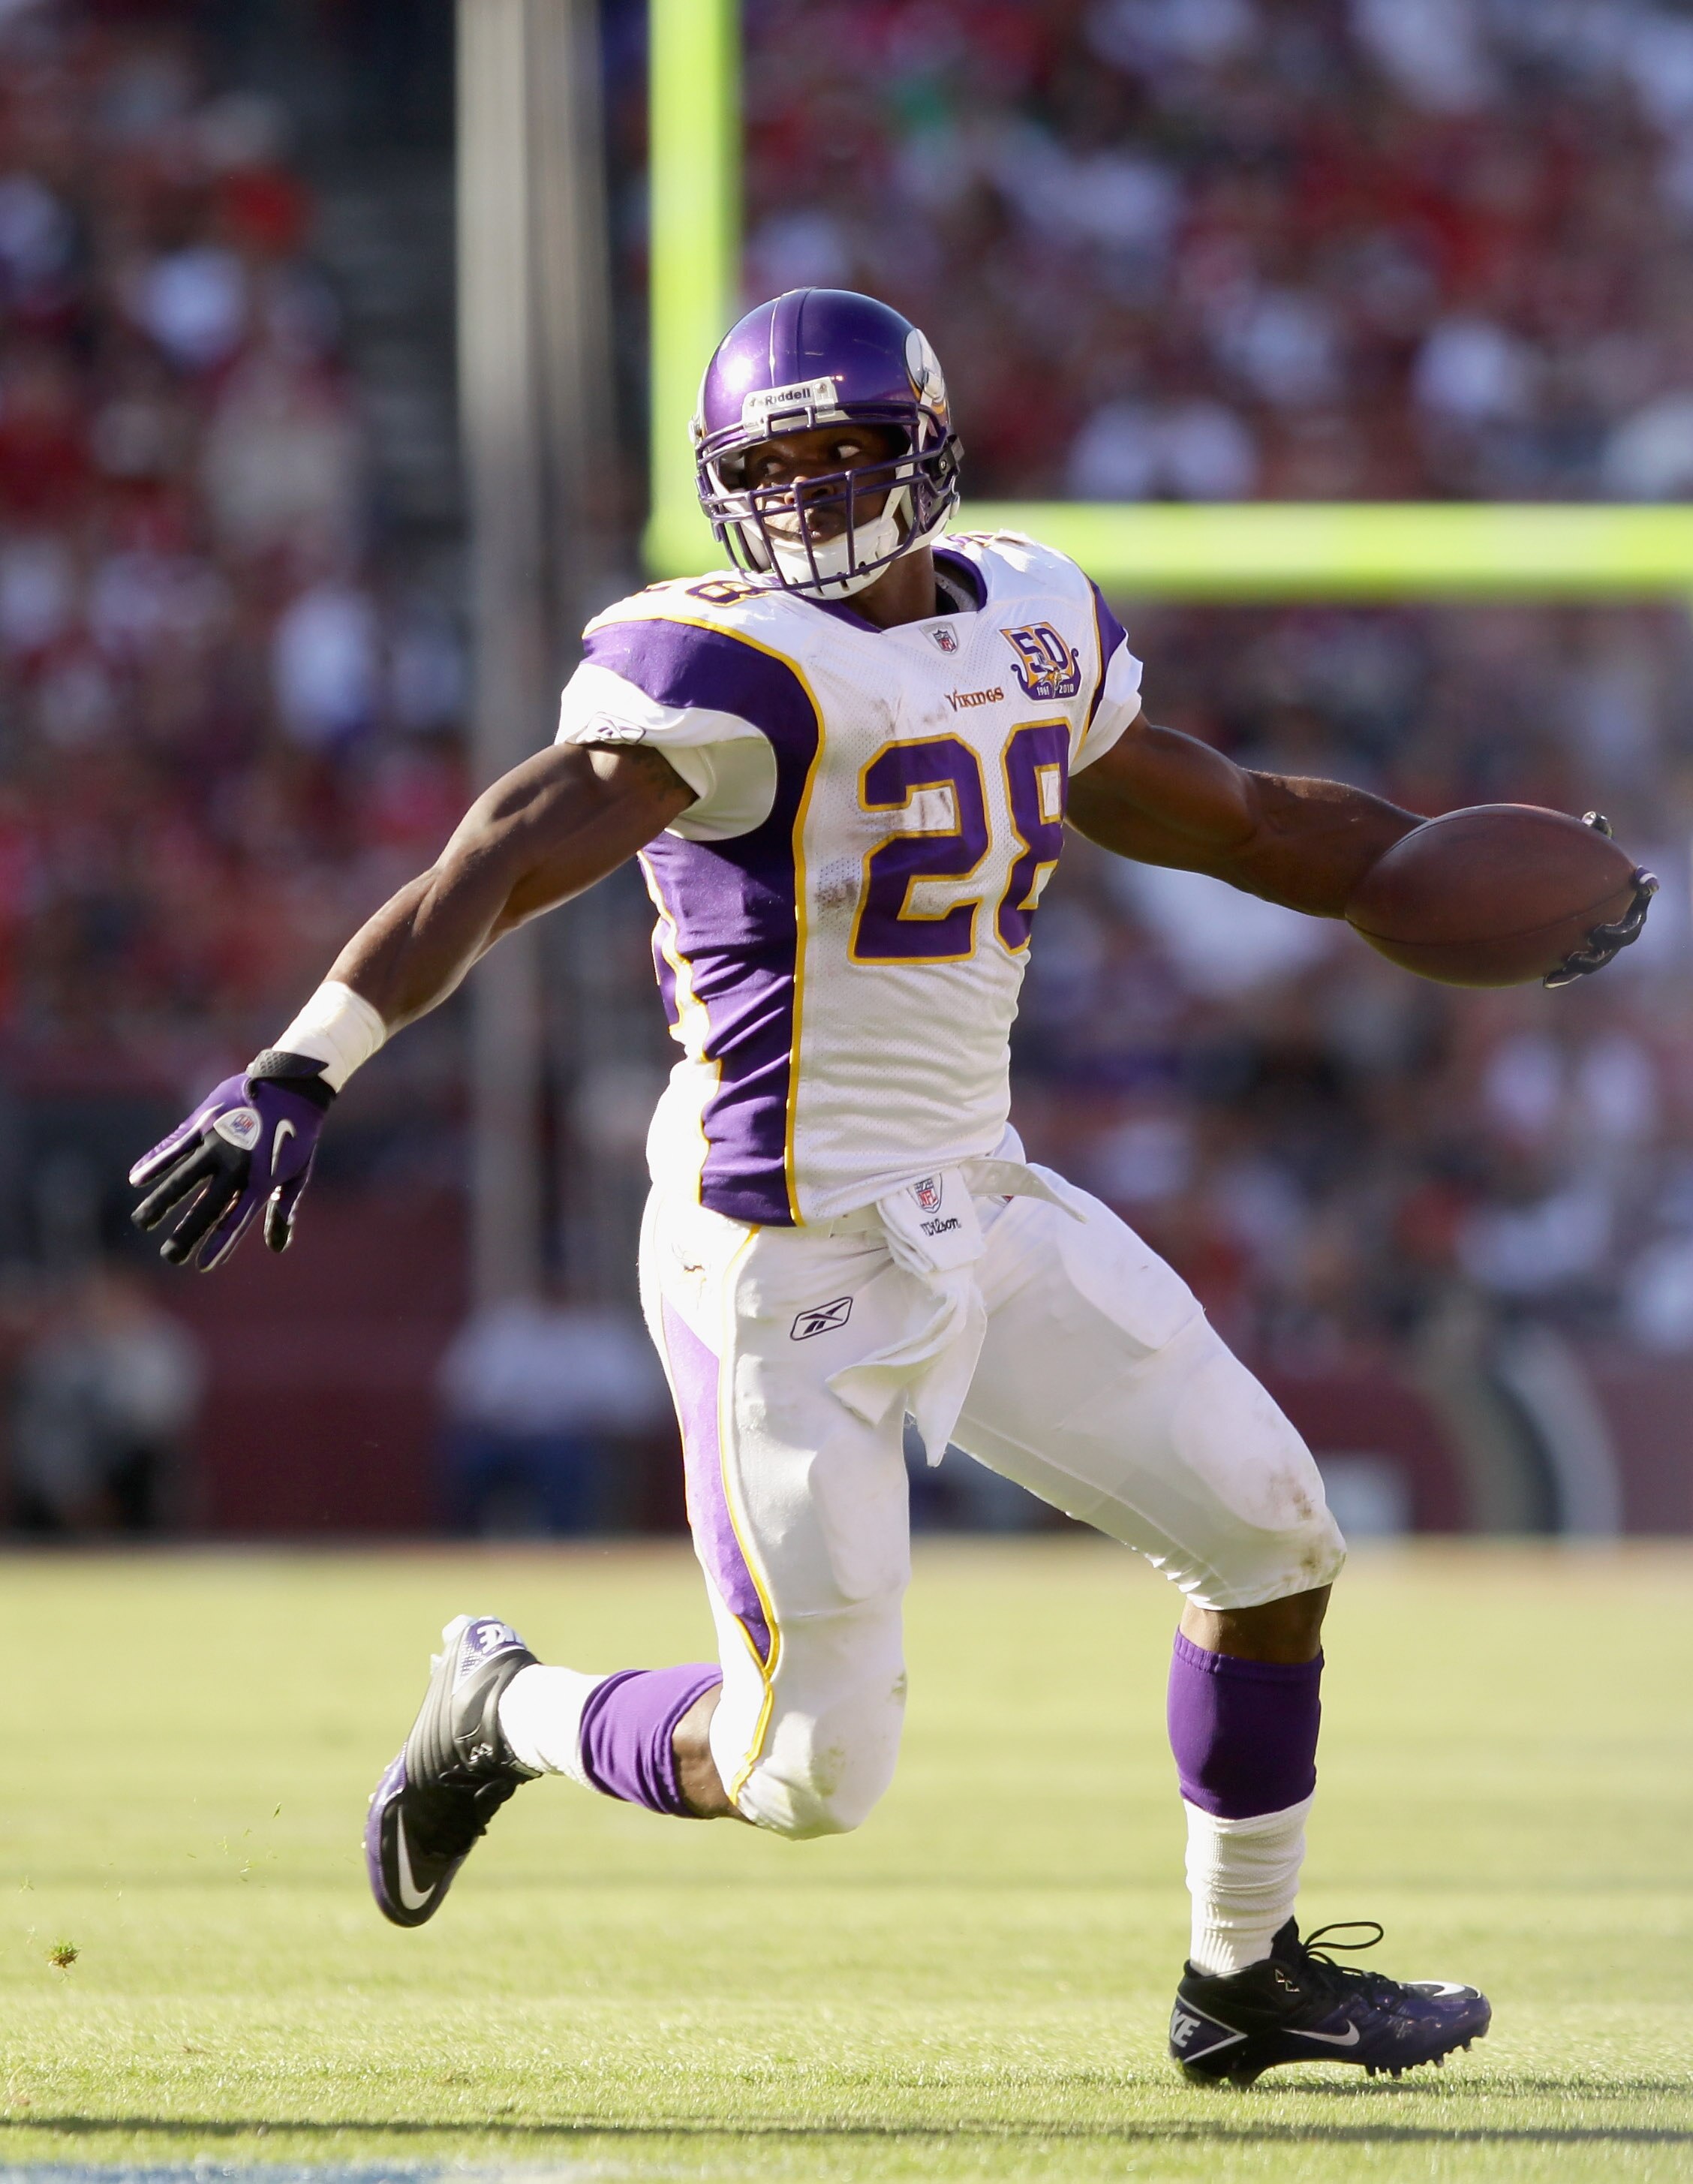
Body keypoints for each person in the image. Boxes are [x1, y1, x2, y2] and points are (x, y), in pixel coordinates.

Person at [128, 290, 1653, 2084]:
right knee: (803, 1778)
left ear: (925, 449)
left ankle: (1240, 1979)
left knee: (1273, 1533)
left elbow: (1231, 816)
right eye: (777, 467)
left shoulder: (1028, 621)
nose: (817, 496)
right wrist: (306, 1057)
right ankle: (507, 1707)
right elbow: (507, 849)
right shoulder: (719, 672)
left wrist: (1436, 874)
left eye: (851, 452)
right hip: (782, 1255)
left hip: (976, 1205)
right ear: (722, 488)